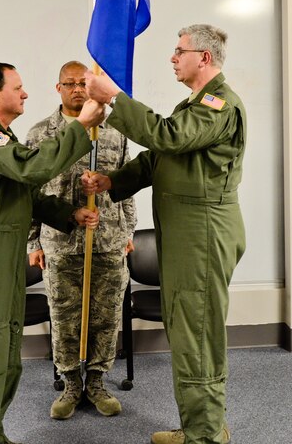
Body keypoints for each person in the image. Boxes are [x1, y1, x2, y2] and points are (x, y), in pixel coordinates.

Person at [82, 25, 246, 444]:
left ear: (204, 58)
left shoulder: (218, 104)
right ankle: (201, 425)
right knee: (187, 327)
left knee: (196, 330)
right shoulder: (192, 105)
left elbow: (168, 137)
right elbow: (160, 157)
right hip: (188, 234)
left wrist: (114, 99)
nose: (173, 57)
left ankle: (205, 434)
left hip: (203, 235)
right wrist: (112, 182)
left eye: (180, 51)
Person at [0, 62, 104, 444]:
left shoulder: (1, 135)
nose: (26, 94)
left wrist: (67, 213)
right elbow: (32, 169)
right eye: (18, 88)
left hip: (1, 249)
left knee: (4, 344)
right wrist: (80, 125)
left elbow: (25, 194)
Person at [25, 60, 137, 420]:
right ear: (58, 89)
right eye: (69, 83)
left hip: (107, 241)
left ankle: (98, 382)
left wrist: (129, 232)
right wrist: (33, 243)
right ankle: (71, 385)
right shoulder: (41, 133)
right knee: (65, 316)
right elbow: (29, 191)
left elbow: (127, 186)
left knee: (106, 316)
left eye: (82, 83)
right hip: (60, 244)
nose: (76, 89)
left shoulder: (114, 131)